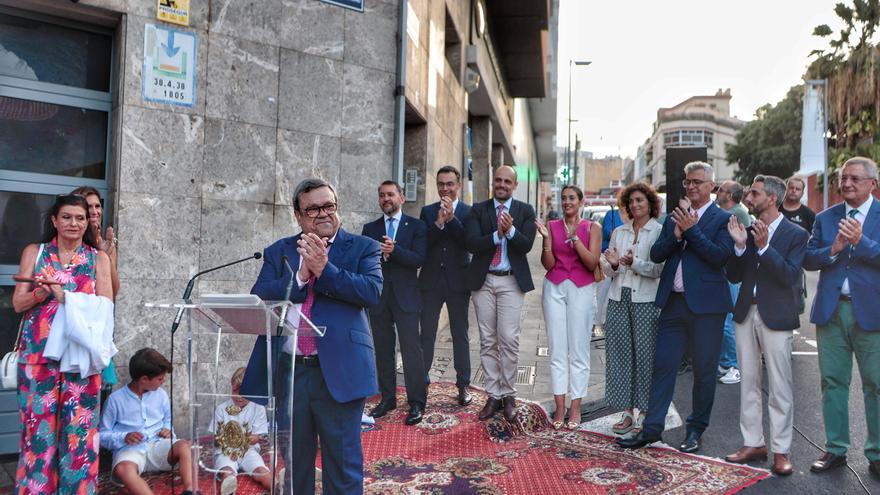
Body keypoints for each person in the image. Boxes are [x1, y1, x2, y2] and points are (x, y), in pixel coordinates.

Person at [240, 178, 382, 494]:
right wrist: (301, 277)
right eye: (313, 208)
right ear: (298, 215)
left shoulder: (363, 247)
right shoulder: (279, 252)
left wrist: (324, 269)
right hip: (290, 372)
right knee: (295, 465)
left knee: (343, 466)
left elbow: (371, 292)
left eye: (328, 205)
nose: (322, 213)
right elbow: (260, 294)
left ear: (337, 207)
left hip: (340, 371)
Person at [618, 161, 734, 454]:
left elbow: (720, 258)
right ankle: (652, 429)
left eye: (697, 182)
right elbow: (657, 254)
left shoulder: (723, 220)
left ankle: (695, 430)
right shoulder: (674, 218)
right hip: (673, 303)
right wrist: (677, 235)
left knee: (705, 372)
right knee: (663, 366)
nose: (691, 187)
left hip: (707, 309)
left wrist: (692, 232)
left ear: (712, 187)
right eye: (687, 182)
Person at [12, 193, 112, 494]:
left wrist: (64, 296)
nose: (73, 223)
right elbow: (18, 303)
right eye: (66, 217)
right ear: (54, 220)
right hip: (37, 357)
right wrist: (40, 295)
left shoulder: (98, 258)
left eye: (80, 218)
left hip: (81, 360)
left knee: (79, 438)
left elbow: (106, 308)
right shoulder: (36, 252)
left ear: (88, 222)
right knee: (37, 436)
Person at [724, 175, 808, 476]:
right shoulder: (746, 230)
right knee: (748, 381)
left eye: (755, 193)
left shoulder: (796, 234)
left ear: (771, 199)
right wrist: (739, 247)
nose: (749, 197)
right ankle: (753, 443)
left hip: (777, 315)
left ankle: (781, 450)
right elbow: (734, 275)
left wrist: (762, 248)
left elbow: (788, 276)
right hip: (747, 312)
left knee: (780, 386)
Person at [804, 157, 880, 478]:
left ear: (872, 184)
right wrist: (833, 249)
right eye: (843, 178)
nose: (847, 184)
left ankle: (876, 453)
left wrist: (861, 243)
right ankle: (835, 449)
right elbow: (808, 258)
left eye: (855, 179)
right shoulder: (825, 218)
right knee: (832, 382)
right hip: (831, 312)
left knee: (876, 385)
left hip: (872, 313)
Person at [465, 165, 537, 422]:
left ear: (515, 185)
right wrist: (498, 234)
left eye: (508, 181)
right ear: (493, 182)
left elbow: (527, 245)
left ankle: (509, 394)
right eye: (498, 180)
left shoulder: (525, 211)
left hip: (510, 282)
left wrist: (512, 231)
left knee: (508, 339)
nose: (502, 184)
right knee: (487, 340)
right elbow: (471, 242)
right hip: (484, 280)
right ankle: (493, 394)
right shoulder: (479, 209)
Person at [601, 182, 664, 437]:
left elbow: (658, 269)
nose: (635, 205)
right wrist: (614, 265)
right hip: (618, 298)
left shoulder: (658, 231)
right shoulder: (619, 231)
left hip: (646, 300)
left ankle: (645, 411)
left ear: (650, 203)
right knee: (619, 354)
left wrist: (634, 263)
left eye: (640, 200)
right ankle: (626, 411)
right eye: (632, 201)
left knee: (645, 356)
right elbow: (608, 269)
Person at [362, 180, 428, 425]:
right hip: (379, 298)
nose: (386, 199)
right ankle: (387, 398)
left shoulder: (417, 226)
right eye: (381, 195)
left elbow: (419, 258)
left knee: (412, 350)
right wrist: (379, 254)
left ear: (401, 198)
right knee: (383, 350)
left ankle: (417, 403)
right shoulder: (370, 228)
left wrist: (394, 251)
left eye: (390, 194)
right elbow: (364, 260)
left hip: (407, 297)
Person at [536, 185, 601, 429]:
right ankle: (560, 406)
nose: (566, 202)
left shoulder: (592, 228)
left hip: (582, 288)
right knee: (557, 349)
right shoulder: (552, 227)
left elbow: (592, 261)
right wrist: (545, 241)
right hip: (554, 287)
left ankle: (575, 407)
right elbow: (548, 264)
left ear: (581, 201)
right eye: (563, 198)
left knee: (579, 350)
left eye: (571, 198)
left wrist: (576, 242)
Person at [99, 348, 196, 495]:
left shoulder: (161, 395)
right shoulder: (115, 400)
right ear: (144, 379)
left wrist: (168, 430)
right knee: (123, 469)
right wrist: (123, 437)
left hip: (158, 446)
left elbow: (167, 420)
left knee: (186, 446)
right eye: (160, 379)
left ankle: (190, 490)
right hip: (130, 450)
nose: (163, 382)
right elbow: (102, 435)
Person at [419, 166, 474, 407]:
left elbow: (469, 243)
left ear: (458, 185)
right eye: (441, 184)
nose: (445, 188)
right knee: (427, 334)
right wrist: (438, 224)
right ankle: (421, 382)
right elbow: (423, 245)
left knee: (460, 334)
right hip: (430, 281)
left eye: (449, 184)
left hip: (458, 281)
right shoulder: (427, 211)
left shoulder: (469, 212)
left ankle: (463, 385)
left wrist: (451, 220)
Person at [71, 186, 121, 394]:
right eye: (88, 206)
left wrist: (107, 255)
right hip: (75, 322)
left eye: (97, 206)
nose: (94, 211)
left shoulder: (106, 243)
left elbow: (114, 290)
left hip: (96, 325)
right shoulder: (70, 239)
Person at [211, 367, 275, 495]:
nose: (239, 397)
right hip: (226, 451)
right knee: (227, 471)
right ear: (231, 387)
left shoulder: (258, 408)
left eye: (244, 393)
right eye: (235, 391)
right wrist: (222, 440)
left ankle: (279, 488)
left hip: (249, 451)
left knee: (262, 472)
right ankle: (229, 488)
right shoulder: (221, 409)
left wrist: (237, 439)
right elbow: (216, 439)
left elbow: (257, 437)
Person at [714, 180, 753, 386]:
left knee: (727, 321)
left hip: (732, 274)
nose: (717, 192)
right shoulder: (734, 212)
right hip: (727, 273)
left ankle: (733, 366)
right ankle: (726, 362)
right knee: (724, 320)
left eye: (720, 190)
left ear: (729, 196)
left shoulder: (737, 214)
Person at [595, 203, 624, 332]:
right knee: (603, 289)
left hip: (623, 260)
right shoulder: (611, 214)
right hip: (607, 255)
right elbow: (607, 231)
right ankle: (597, 320)